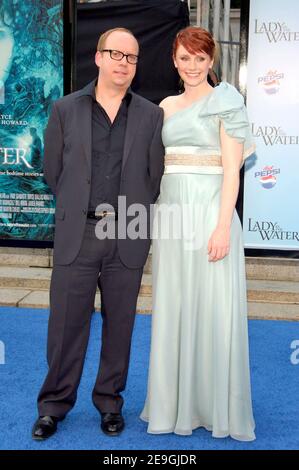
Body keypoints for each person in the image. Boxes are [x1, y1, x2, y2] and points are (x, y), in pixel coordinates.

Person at [32, 27, 164, 440]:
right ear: (99, 57)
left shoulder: (151, 114)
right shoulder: (65, 109)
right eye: (116, 54)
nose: (124, 62)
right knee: (66, 324)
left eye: (132, 57)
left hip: (129, 230)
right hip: (79, 232)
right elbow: (52, 172)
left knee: (120, 323)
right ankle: (53, 405)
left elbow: (154, 176)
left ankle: (110, 401)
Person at [140, 26, 256, 441]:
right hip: (172, 215)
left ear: (212, 61)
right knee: (174, 303)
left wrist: (223, 226)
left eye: (200, 58)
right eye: (185, 58)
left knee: (212, 307)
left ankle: (212, 405)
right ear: (174, 60)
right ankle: (173, 405)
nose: (192, 65)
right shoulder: (164, 106)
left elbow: (232, 172)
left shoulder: (226, 101)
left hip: (211, 213)